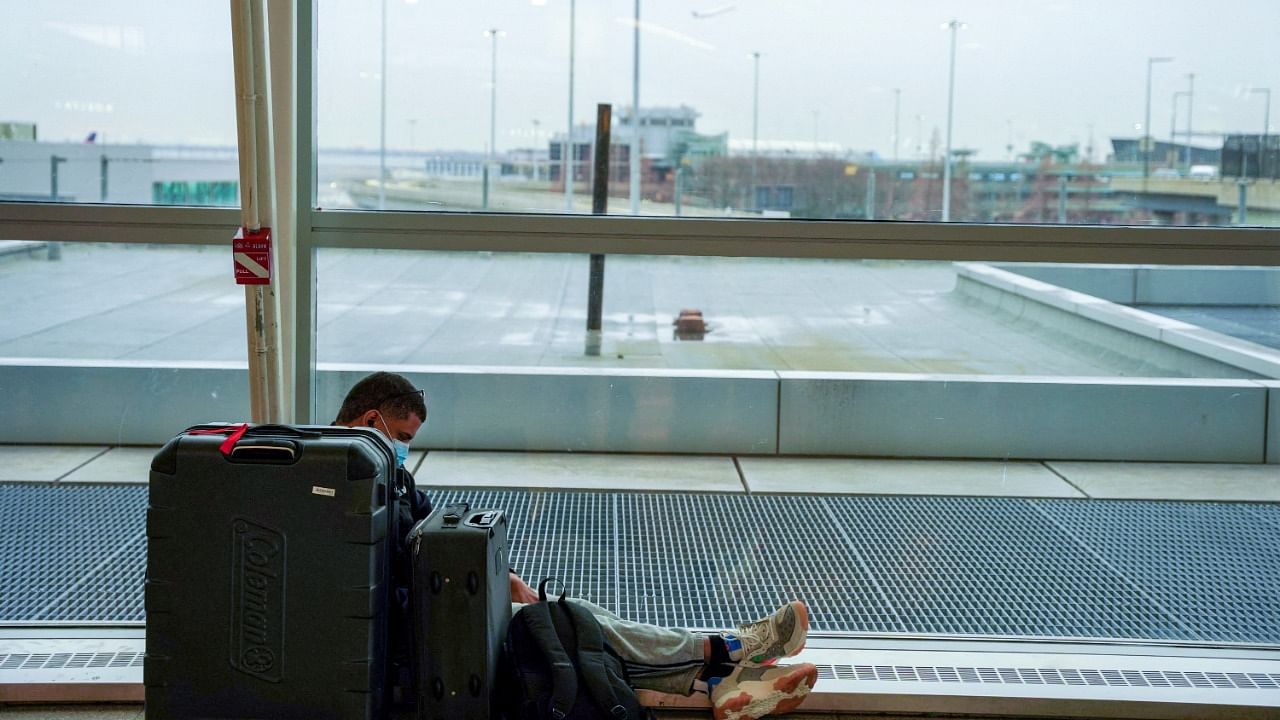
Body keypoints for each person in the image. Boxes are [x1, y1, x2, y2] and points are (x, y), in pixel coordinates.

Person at [335, 371, 819, 720]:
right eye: (400, 438)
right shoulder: (334, 485)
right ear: (371, 420)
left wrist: (498, 579)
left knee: (566, 619)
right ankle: (731, 650)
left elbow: (434, 525)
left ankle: (715, 680)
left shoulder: (388, 478)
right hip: (426, 630)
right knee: (568, 622)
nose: (404, 452)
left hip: (445, 610)